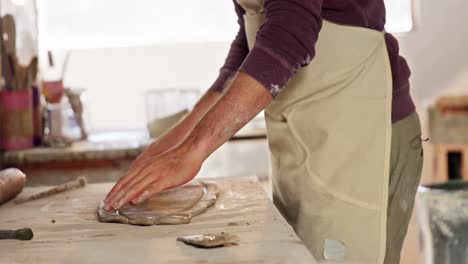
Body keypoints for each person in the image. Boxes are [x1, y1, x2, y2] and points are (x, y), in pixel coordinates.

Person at [104, 0, 423, 263]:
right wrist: (174, 142)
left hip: (362, 139)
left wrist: (192, 152)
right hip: (308, 143)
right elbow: (253, 42)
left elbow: (288, 36)